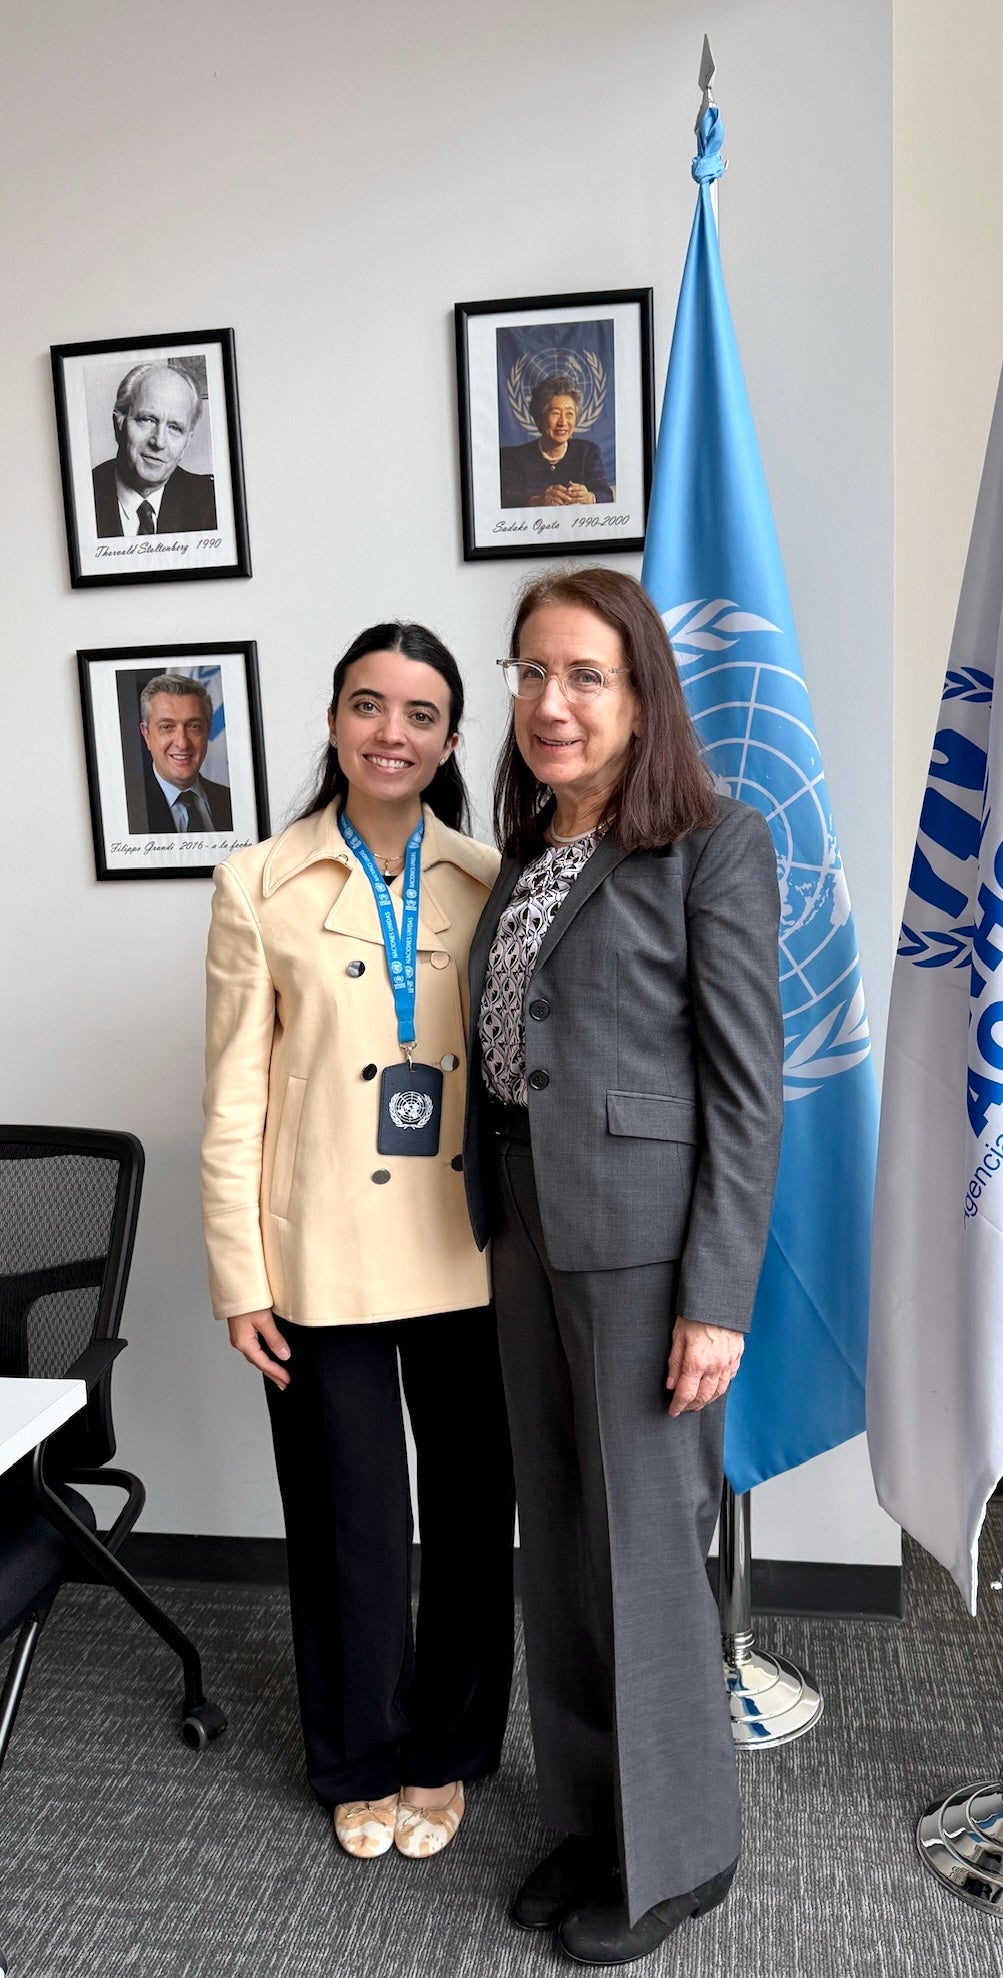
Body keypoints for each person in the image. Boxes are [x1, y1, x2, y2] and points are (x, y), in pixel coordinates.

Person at [463, 568, 783, 1964]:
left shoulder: (711, 843)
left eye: (583, 674)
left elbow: (745, 1089)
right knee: (563, 1544)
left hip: (647, 1252)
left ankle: (675, 1859)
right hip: (527, 1223)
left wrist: (715, 1295)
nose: (550, 702)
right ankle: (593, 1824)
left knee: (645, 1556)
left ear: (639, 691)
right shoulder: (529, 849)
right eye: (530, 672)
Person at [201, 623, 514, 1863]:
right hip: (316, 1252)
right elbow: (232, 1097)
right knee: (352, 1523)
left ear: (449, 739)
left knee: (474, 1509)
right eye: (369, 705)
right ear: (332, 722)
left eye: (422, 712)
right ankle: (358, 1755)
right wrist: (240, 1277)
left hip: (464, 1247)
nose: (394, 731)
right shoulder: (258, 884)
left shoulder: (491, 879)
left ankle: (447, 1749)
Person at [92, 360, 218, 537]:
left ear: (186, 443)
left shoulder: (214, 503)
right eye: (147, 419)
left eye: (175, 428)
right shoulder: (82, 496)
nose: (159, 442)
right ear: (118, 424)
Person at [129, 674, 233, 834]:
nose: (182, 743)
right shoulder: (125, 808)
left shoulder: (231, 801)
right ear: (146, 735)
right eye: (167, 727)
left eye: (194, 726)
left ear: (208, 730)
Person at [498, 373, 614, 509]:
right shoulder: (513, 457)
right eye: (555, 413)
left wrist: (589, 497)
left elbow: (606, 495)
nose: (563, 422)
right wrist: (538, 501)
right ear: (539, 418)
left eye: (570, 414)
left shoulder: (588, 451)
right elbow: (506, 500)